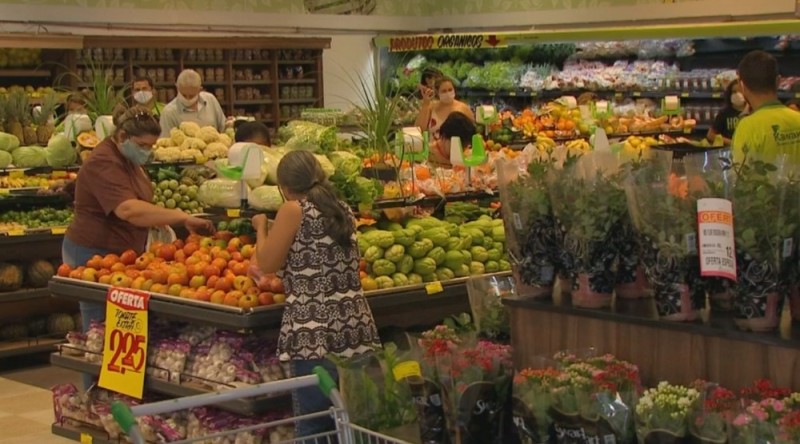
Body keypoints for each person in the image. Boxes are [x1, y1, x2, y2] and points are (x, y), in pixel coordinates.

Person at [62, 106, 215, 386]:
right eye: (143, 145)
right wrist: (181, 217)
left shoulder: (129, 158)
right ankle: (94, 402)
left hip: (124, 255)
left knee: (119, 334)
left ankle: (119, 396)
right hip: (93, 254)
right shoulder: (103, 162)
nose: (147, 151)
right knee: (99, 336)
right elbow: (129, 210)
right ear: (122, 136)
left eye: (151, 146)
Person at [251, 150, 380, 438]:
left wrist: (261, 228)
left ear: (284, 188)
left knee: (314, 423)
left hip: (315, 331)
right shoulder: (341, 207)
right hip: (354, 325)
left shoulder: (293, 209)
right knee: (351, 418)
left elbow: (267, 263)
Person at [732, 50, 800, 164]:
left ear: (741, 85)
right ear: (778, 81)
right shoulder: (797, 119)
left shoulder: (748, 127)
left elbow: (740, 175)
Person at [159, 69, 226, 137]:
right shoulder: (169, 112)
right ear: (177, 88)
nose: (187, 99)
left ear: (200, 90)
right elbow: (166, 142)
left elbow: (223, 128)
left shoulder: (210, 99)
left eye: (191, 96)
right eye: (184, 95)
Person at [415, 77, 474, 141]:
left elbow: (473, 131)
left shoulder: (464, 108)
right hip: (434, 149)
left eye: (450, 90)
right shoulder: (431, 108)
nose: (448, 93)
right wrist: (426, 104)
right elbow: (419, 129)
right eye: (444, 91)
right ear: (437, 92)